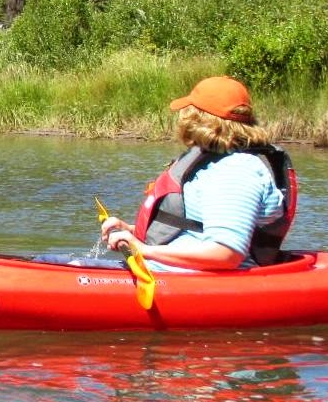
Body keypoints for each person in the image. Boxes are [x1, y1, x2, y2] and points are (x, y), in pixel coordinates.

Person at [100, 76, 297, 271]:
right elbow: (195, 232)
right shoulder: (209, 162)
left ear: (199, 120)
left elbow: (226, 254)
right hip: (162, 274)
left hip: (197, 289)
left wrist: (143, 250)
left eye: (188, 112)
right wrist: (131, 232)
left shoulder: (235, 171)